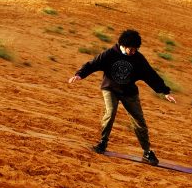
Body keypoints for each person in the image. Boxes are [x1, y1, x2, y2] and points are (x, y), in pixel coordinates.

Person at [68, 29, 176, 166]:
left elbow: (150, 75)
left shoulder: (138, 59)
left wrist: (165, 91)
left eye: (136, 49)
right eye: (131, 49)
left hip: (129, 92)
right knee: (110, 112)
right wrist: (79, 75)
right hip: (110, 89)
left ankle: (147, 151)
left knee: (139, 121)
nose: (133, 52)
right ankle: (102, 143)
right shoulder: (110, 54)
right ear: (122, 45)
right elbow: (93, 64)